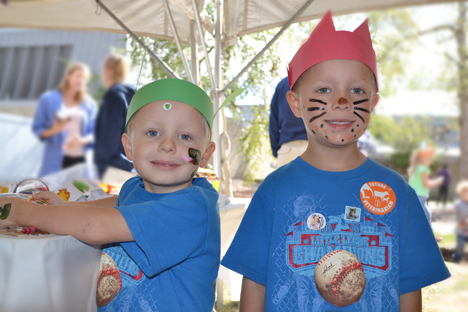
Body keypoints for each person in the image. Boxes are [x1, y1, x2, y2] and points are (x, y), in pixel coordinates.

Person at [221, 11, 450, 311]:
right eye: (324, 90)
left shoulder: (397, 193)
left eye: (356, 90)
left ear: (373, 103)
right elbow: (254, 284)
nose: (341, 102)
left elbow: (408, 290)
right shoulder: (274, 190)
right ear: (295, 103)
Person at [1, 79, 220, 311]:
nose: (168, 145)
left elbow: (97, 225)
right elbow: (104, 209)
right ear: (129, 146)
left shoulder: (192, 208)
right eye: (153, 132)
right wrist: (58, 208)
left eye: (185, 136)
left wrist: (20, 211)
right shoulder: (135, 188)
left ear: (205, 154)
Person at [32, 63, 96, 178]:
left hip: (81, 161)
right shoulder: (48, 99)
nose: (81, 80)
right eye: (78, 76)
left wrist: (82, 140)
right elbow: (37, 128)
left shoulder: (89, 104)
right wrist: (55, 130)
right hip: (56, 162)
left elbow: (96, 134)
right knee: (52, 193)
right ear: (68, 75)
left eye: (84, 78)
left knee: (80, 195)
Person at [94, 54, 136, 180]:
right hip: (131, 167)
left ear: (108, 71)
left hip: (111, 169)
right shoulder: (133, 97)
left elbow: (109, 139)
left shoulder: (113, 96)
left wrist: (97, 167)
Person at [269, 77, 308, 168]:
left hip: (287, 150)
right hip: (315, 150)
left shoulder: (282, 85)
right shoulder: (319, 81)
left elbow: (273, 123)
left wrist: (277, 151)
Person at [408, 145, 443, 225]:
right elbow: (426, 184)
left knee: (427, 215)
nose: (431, 161)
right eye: (429, 159)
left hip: (413, 196)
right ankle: (424, 235)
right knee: (420, 218)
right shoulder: (423, 169)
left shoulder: (414, 168)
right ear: (422, 159)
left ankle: (428, 234)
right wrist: (437, 182)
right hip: (420, 197)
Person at [452, 180, 468, 263]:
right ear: (462, 193)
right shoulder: (459, 204)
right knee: (460, 245)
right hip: (461, 230)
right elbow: (453, 210)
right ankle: (456, 258)